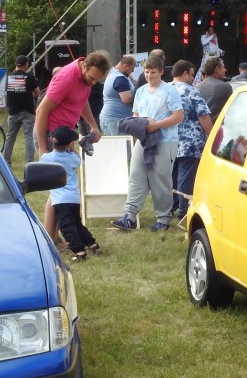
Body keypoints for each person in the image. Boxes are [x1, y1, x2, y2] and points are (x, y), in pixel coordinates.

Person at [111, 55, 184, 232]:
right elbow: (136, 114)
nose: (149, 75)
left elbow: (178, 116)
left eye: (153, 72)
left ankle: (163, 218)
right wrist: (141, 124)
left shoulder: (169, 91)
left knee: (160, 180)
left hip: (165, 140)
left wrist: (156, 125)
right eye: (146, 72)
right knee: (136, 175)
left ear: (161, 72)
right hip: (143, 139)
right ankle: (130, 216)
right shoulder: (141, 91)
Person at [41, 125, 102, 263]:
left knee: (67, 227)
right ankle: (92, 244)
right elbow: (78, 159)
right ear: (69, 144)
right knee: (77, 224)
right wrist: (72, 149)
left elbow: (41, 160)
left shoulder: (47, 158)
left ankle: (79, 251)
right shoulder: (72, 158)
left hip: (60, 200)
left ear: (51, 140)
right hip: (74, 198)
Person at [34, 51, 108, 158]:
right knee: (60, 167)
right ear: (84, 67)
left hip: (65, 132)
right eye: (92, 78)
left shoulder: (86, 78)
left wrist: (93, 126)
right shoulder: (66, 78)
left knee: (70, 164)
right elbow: (41, 111)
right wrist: (43, 149)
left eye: (97, 80)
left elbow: (82, 100)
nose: (93, 83)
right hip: (51, 134)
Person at [170, 60, 213, 219]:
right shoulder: (191, 91)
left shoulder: (164, 89)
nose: (193, 78)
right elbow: (203, 116)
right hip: (190, 141)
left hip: (168, 140)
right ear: (185, 73)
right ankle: (184, 211)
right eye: (192, 74)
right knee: (186, 177)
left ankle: (169, 208)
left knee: (171, 176)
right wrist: (212, 136)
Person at [3, 54, 40, 165]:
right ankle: (29, 162)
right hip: (27, 110)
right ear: (26, 64)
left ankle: (6, 161)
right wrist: (30, 94)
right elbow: (37, 92)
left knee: (10, 137)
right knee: (29, 136)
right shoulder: (29, 77)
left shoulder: (9, 77)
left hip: (13, 111)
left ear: (16, 64)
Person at [98, 54, 137, 135]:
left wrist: (131, 79)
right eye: (132, 69)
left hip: (111, 119)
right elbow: (127, 99)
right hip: (116, 121)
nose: (132, 71)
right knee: (121, 143)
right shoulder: (120, 79)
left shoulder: (113, 72)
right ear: (126, 66)